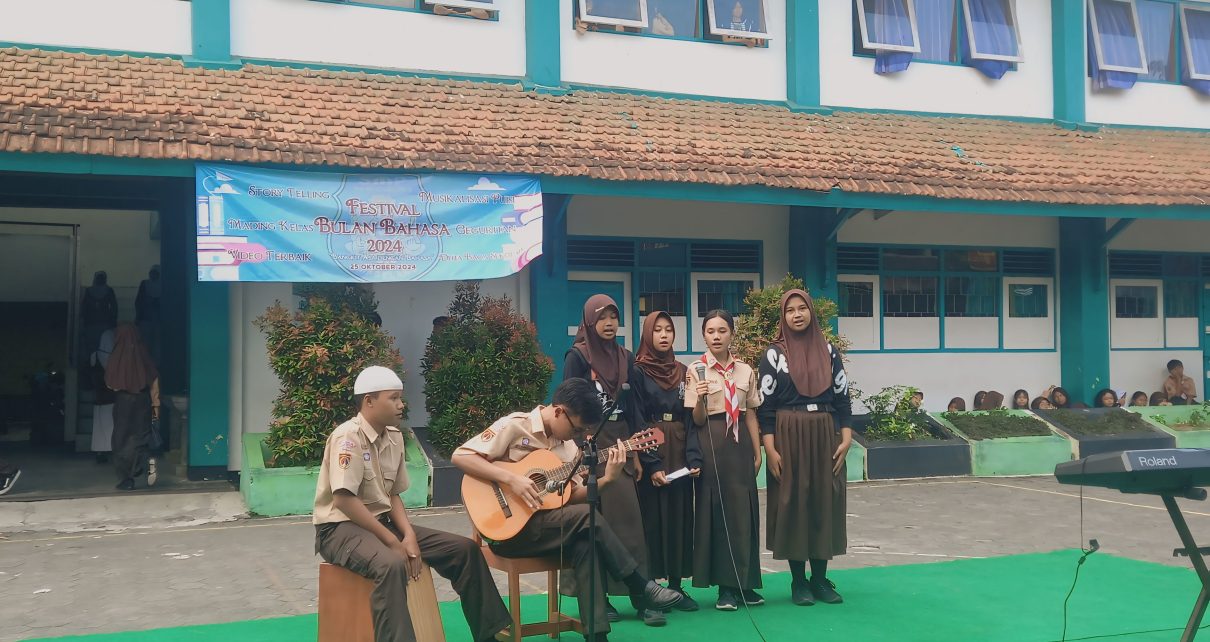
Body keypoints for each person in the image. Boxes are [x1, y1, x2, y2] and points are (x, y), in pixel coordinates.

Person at [452, 378, 684, 642]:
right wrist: (511, 479)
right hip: (507, 531)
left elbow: (570, 496)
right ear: (559, 411)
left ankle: (597, 636)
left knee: (586, 542)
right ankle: (640, 584)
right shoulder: (515, 425)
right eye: (576, 428)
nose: (578, 436)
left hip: (547, 530)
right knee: (587, 517)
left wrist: (608, 479)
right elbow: (461, 456)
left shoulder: (569, 448)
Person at [314, 366, 511, 642]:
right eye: (393, 398)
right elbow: (344, 500)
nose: (400, 404)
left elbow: (392, 495)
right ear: (369, 401)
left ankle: (489, 635)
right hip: (339, 530)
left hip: (382, 524)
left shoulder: (394, 437)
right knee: (391, 564)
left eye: (400, 398)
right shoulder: (347, 438)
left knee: (464, 550)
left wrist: (408, 535)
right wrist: (393, 542)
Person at [757, 290, 852, 608]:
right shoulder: (774, 355)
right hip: (788, 433)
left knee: (823, 499)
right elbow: (765, 407)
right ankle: (799, 582)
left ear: (811, 312)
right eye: (790, 311)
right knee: (793, 503)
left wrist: (847, 437)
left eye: (802, 309)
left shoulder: (828, 350)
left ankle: (820, 579)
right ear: (782, 317)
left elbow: (842, 397)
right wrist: (770, 448)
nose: (797, 315)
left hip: (825, 432)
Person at [561, 294, 653, 623]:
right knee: (590, 521)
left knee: (628, 521)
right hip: (587, 440)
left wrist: (637, 454)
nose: (610, 323)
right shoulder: (578, 356)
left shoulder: (626, 358)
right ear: (589, 321)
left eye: (614, 317)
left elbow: (635, 407)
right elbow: (568, 401)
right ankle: (599, 598)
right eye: (602, 318)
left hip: (622, 441)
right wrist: (574, 444)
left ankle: (643, 597)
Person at [685, 309, 763, 611]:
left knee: (744, 512)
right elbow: (696, 418)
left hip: (740, 442)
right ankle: (724, 590)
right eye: (710, 331)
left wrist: (758, 451)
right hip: (712, 442)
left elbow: (751, 412)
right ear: (704, 335)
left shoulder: (745, 370)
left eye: (722, 330)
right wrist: (702, 398)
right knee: (716, 513)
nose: (716, 336)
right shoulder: (696, 369)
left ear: (732, 333)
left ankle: (746, 583)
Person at [633, 312, 703, 619]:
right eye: (657, 330)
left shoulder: (684, 371)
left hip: (679, 444)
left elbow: (690, 418)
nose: (664, 335)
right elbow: (635, 417)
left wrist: (693, 458)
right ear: (648, 335)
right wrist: (651, 464)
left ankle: (675, 587)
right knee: (651, 519)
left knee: (679, 516)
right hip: (651, 442)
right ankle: (650, 589)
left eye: (669, 330)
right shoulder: (636, 372)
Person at [105, 324, 159, 491]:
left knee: (121, 438)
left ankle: (126, 479)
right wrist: (155, 404)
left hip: (123, 400)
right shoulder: (143, 352)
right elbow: (153, 376)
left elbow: (110, 383)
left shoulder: (117, 354)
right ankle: (142, 463)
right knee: (140, 435)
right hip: (143, 398)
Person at [90, 328, 116, 464]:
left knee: (99, 426)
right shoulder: (114, 357)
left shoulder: (94, 355)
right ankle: (111, 450)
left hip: (99, 396)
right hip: (112, 396)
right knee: (111, 425)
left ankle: (100, 452)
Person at [80, 270, 117, 362]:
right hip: (103, 324)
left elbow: (84, 309)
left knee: (93, 348)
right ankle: (99, 367)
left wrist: (84, 323)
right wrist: (113, 323)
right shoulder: (109, 290)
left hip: (92, 325)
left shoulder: (89, 291)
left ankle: (93, 366)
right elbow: (114, 308)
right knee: (102, 348)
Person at [135, 265, 163, 365]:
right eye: (152, 273)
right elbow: (138, 302)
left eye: (155, 273)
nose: (153, 275)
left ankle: (155, 365)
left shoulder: (164, 285)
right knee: (146, 343)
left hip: (158, 320)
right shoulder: (145, 284)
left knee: (157, 344)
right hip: (146, 319)